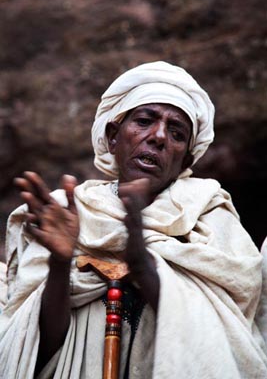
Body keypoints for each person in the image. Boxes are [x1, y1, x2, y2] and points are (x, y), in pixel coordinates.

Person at [0, 61, 267, 378]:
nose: (158, 137)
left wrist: (140, 253)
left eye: (176, 132)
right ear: (113, 136)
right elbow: (35, 350)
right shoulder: (68, 211)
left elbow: (222, 339)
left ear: (185, 160)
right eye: (144, 121)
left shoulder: (209, 215)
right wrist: (60, 262)